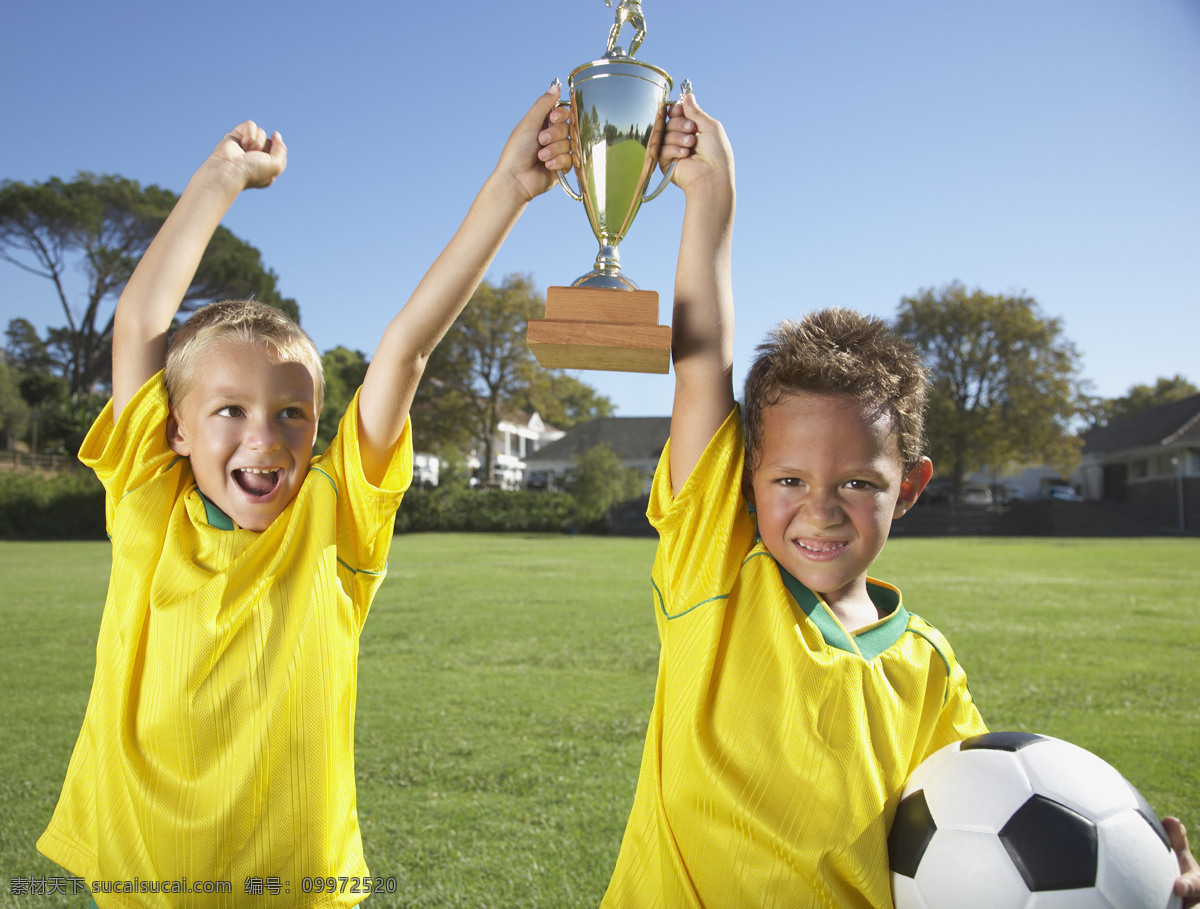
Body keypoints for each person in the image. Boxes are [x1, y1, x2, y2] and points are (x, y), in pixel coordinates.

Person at [576, 93, 1200, 908]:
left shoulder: (930, 669)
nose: (820, 508)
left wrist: (1143, 882)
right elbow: (701, 363)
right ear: (746, 480)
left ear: (909, 487)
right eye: (789, 480)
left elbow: (980, 850)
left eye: (858, 483)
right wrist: (711, 199)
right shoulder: (716, 571)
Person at [35, 90, 583, 907]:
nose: (265, 436)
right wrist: (222, 177)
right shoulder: (149, 503)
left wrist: (509, 187)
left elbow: (405, 350)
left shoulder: (337, 520)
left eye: (292, 414)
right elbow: (140, 321)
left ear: (318, 429)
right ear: (176, 429)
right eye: (230, 410)